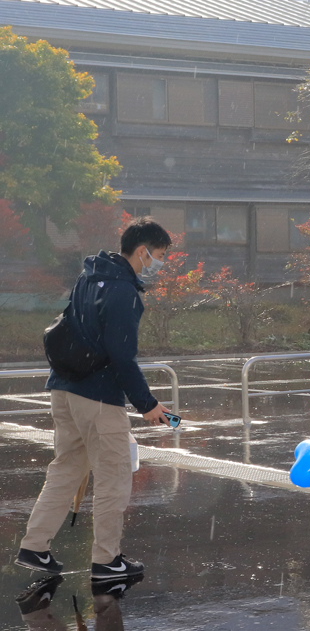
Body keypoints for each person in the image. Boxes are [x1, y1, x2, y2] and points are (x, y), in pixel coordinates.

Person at [16, 218, 172, 580]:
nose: (159, 263)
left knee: (66, 469)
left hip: (63, 387)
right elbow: (121, 356)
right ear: (142, 251)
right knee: (113, 477)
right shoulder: (123, 291)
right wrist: (147, 404)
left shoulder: (89, 277)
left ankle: (34, 546)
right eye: (159, 255)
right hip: (98, 397)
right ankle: (107, 560)